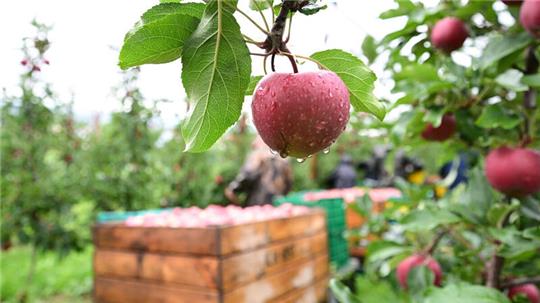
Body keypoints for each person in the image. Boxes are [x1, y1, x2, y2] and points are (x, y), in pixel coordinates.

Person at [225, 136, 293, 206]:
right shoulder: (284, 161)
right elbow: (289, 186)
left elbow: (246, 178)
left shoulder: (257, 157)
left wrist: (232, 189)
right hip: (277, 207)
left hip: (257, 208)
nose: (253, 143)